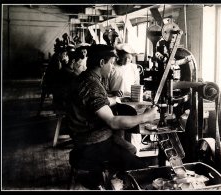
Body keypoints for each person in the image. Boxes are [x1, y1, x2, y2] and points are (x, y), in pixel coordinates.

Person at [66, 44, 159, 188]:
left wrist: (113, 99)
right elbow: (113, 122)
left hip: (85, 138)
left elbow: (94, 102)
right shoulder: (92, 85)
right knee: (141, 170)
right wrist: (146, 116)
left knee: (131, 149)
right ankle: (107, 180)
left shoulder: (85, 78)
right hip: (93, 143)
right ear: (102, 62)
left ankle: (108, 178)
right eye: (111, 63)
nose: (113, 67)